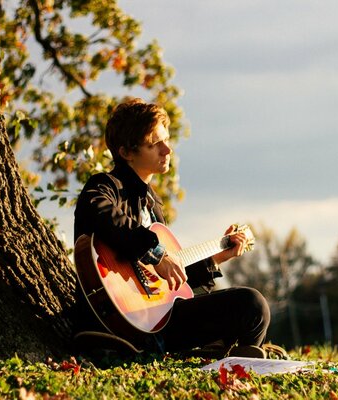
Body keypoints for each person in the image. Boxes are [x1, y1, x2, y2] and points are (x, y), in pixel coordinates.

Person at [73, 98, 270, 358]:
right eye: (154, 144)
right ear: (126, 152)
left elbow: (169, 285)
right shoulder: (105, 186)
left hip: (160, 320)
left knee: (252, 306)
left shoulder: (153, 205)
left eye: (167, 140)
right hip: (116, 320)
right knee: (251, 303)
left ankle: (239, 363)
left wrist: (217, 258)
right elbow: (99, 212)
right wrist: (156, 254)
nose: (167, 150)